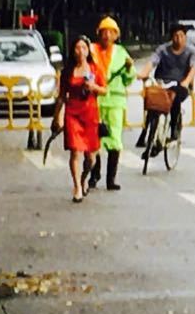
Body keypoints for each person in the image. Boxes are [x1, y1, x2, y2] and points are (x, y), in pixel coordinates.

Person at [53, 35, 105, 203]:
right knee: (75, 151)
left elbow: (105, 90)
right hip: (72, 113)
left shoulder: (95, 69)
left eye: (84, 47)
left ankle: (84, 178)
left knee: (91, 157)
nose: (80, 51)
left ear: (88, 50)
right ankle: (76, 186)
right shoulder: (67, 72)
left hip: (90, 114)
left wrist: (94, 87)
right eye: (77, 48)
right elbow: (61, 96)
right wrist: (57, 117)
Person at [85, 16, 134, 192]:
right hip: (94, 101)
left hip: (115, 102)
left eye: (111, 32)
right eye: (104, 32)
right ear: (98, 34)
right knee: (93, 138)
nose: (107, 35)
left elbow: (129, 79)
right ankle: (94, 174)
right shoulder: (91, 51)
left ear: (116, 35)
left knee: (115, 139)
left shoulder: (121, 53)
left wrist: (128, 68)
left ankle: (111, 179)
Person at [138, 23, 195, 145]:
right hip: (162, 83)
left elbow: (193, 68)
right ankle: (144, 134)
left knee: (175, 100)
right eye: (176, 36)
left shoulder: (191, 51)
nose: (179, 39)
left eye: (181, 36)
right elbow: (152, 61)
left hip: (180, 85)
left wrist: (186, 82)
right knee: (153, 104)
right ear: (171, 37)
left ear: (185, 37)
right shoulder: (163, 50)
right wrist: (143, 73)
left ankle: (174, 133)